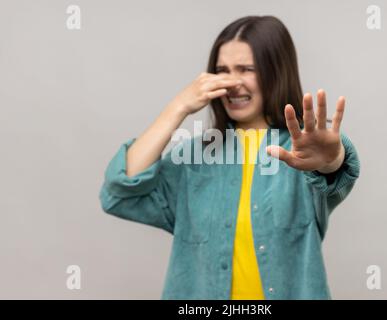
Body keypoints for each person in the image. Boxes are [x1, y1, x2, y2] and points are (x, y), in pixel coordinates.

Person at [99, 15, 360, 300]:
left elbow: (335, 170)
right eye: (223, 70)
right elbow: (120, 193)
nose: (233, 82)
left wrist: (330, 158)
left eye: (246, 69)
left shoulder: (301, 153)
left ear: (276, 71)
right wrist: (178, 107)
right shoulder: (196, 157)